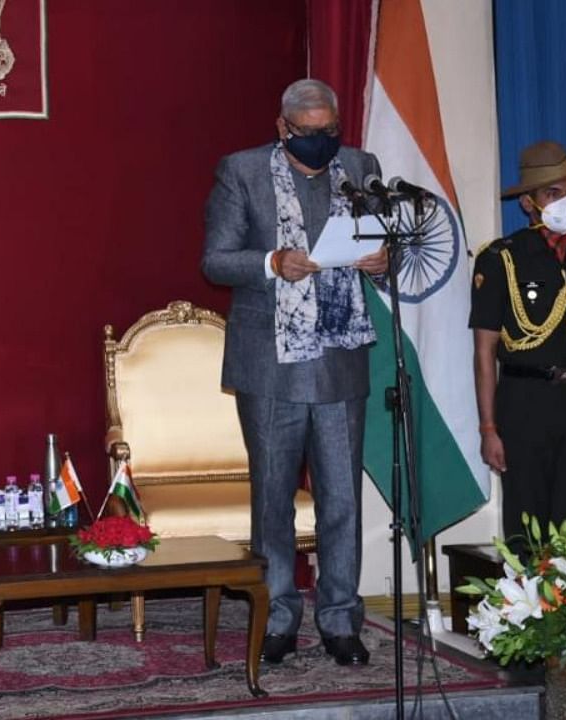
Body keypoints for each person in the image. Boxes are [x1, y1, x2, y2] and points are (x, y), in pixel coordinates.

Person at [202, 78, 388, 667]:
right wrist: (271, 261)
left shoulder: (361, 165)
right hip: (270, 364)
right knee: (274, 500)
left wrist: (385, 259)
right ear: (283, 128)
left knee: (341, 500)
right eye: (308, 133)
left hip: (339, 359)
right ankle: (277, 617)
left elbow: (381, 246)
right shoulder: (242, 171)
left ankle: (339, 619)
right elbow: (215, 259)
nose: (321, 142)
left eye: (329, 131)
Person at [470, 141, 566, 550]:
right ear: (528, 203)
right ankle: (528, 612)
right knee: (527, 523)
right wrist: (488, 428)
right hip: (525, 402)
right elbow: (485, 352)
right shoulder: (501, 259)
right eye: (553, 194)